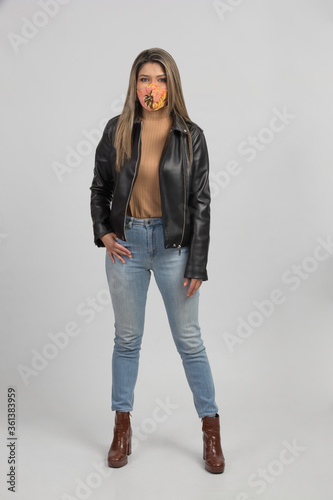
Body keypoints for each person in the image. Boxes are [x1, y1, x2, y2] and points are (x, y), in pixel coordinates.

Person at [89, 47, 225, 474]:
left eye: (161, 79)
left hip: (174, 249)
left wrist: (197, 262)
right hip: (126, 246)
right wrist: (103, 231)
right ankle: (122, 429)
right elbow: (99, 188)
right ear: (135, 84)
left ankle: (211, 431)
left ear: (172, 84)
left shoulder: (191, 135)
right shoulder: (118, 129)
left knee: (189, 342)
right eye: (145, 78)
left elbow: (200, 202)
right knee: (126, 341)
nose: (153, 87)